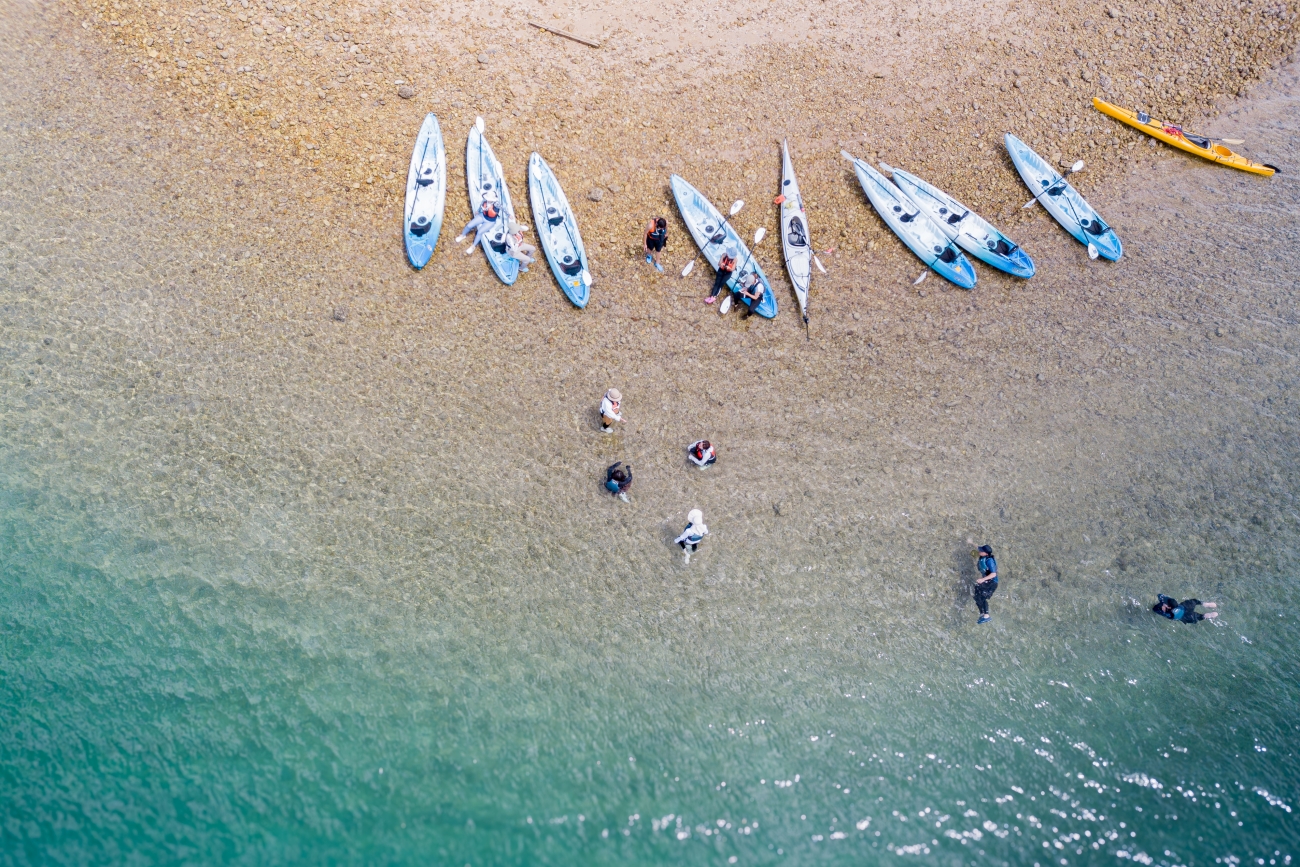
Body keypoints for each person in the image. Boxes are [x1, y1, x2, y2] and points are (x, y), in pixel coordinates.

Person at [973, 544, 998, 624]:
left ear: (986, 553)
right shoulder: (983, 556)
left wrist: (982, 579)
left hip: (992, 583)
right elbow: (978, 547)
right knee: (976, 595)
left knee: (982, 595)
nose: (979, 551)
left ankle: (986, 616)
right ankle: (982, 614)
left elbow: (994, 574)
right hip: (987, 581)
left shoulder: (989, 560)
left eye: (981, 551)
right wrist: (970, 542)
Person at [1153, 595, 1218, 624]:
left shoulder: (1168, 614)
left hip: (1184, 617)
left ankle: (1205, 616)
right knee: (1194, 601)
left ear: (1169, 607)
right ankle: (1204, 604)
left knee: (1198, 617)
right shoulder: (1173, 603)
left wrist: (1161, 605)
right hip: (1185, 607)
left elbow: (1155, 609)